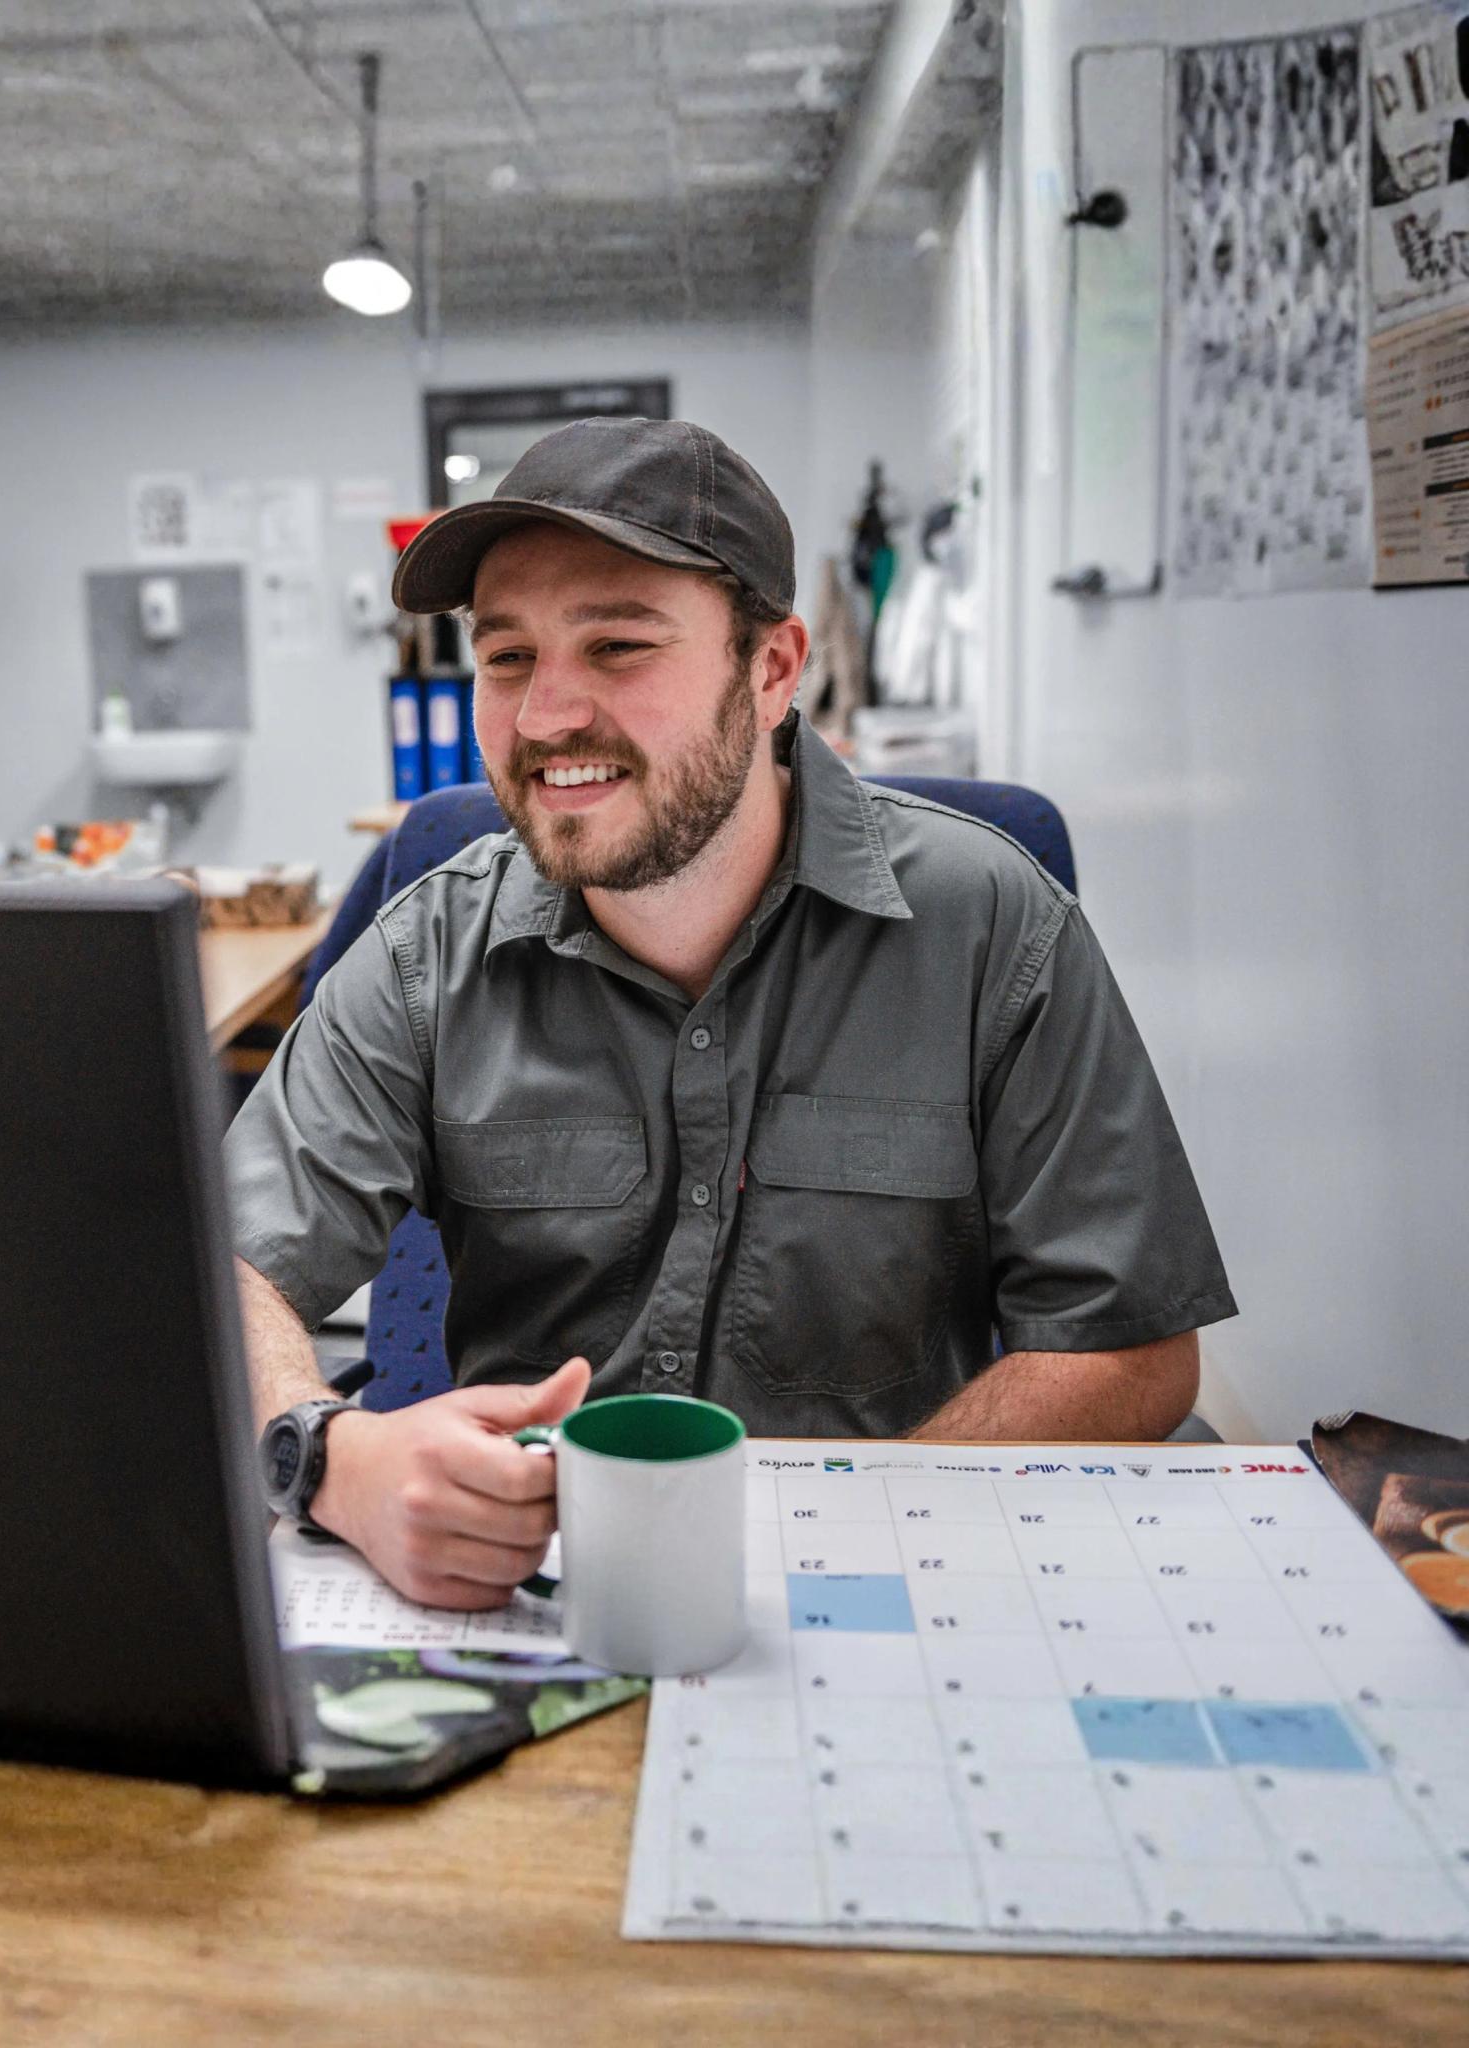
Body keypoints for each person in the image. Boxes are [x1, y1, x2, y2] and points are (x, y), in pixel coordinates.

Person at [225, 417, 1236, 1611]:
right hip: (535, 1592)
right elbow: (221, 1270)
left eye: (616, 645)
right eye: (506, 658)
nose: (546, 716)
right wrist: (326, 1455)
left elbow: (1129, 1346)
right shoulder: (425, 955)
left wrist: (841, 1544)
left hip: (896, 1582)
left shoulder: (992, 927)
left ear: (769, 669)